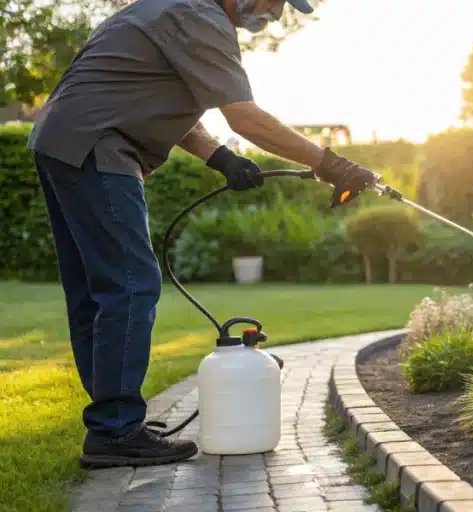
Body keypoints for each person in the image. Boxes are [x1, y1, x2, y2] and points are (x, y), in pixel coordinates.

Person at [27, 0, 379, 469]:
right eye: (276, 1)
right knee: (131, 286)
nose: (275, 14)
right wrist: (330, 164)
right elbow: (246, 117)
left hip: (63, 141)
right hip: (97, 146)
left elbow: (161, 103)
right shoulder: (200, 15)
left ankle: (114, 421)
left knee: (96, 293)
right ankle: (115, 429)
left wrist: (220, 158)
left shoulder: (172, 8)